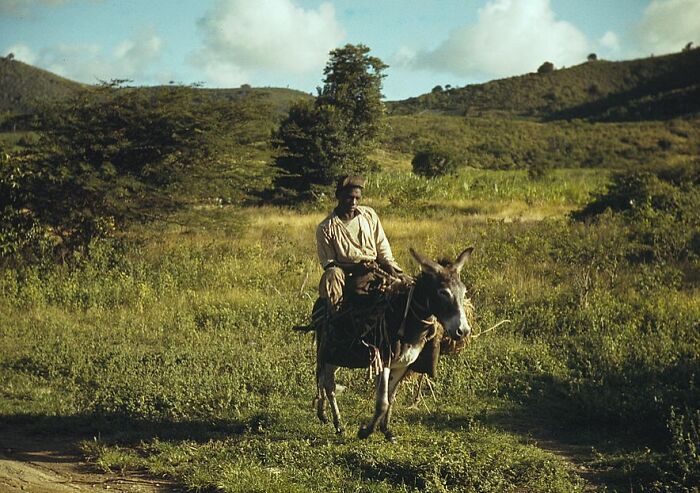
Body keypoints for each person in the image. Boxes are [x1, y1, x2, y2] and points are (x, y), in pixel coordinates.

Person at [316, 175, 403, 313]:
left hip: (375, 268)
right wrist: (355, 268)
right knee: (332, 274)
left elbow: (382, 245)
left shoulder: (369, 215)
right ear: (338, 196)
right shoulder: (326, 228)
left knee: (409, 287)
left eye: (357, 198)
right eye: (349, 197)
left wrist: (388, 265)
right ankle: (335, 318)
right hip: (347, 274)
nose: (353, 202)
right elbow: (329, 263)